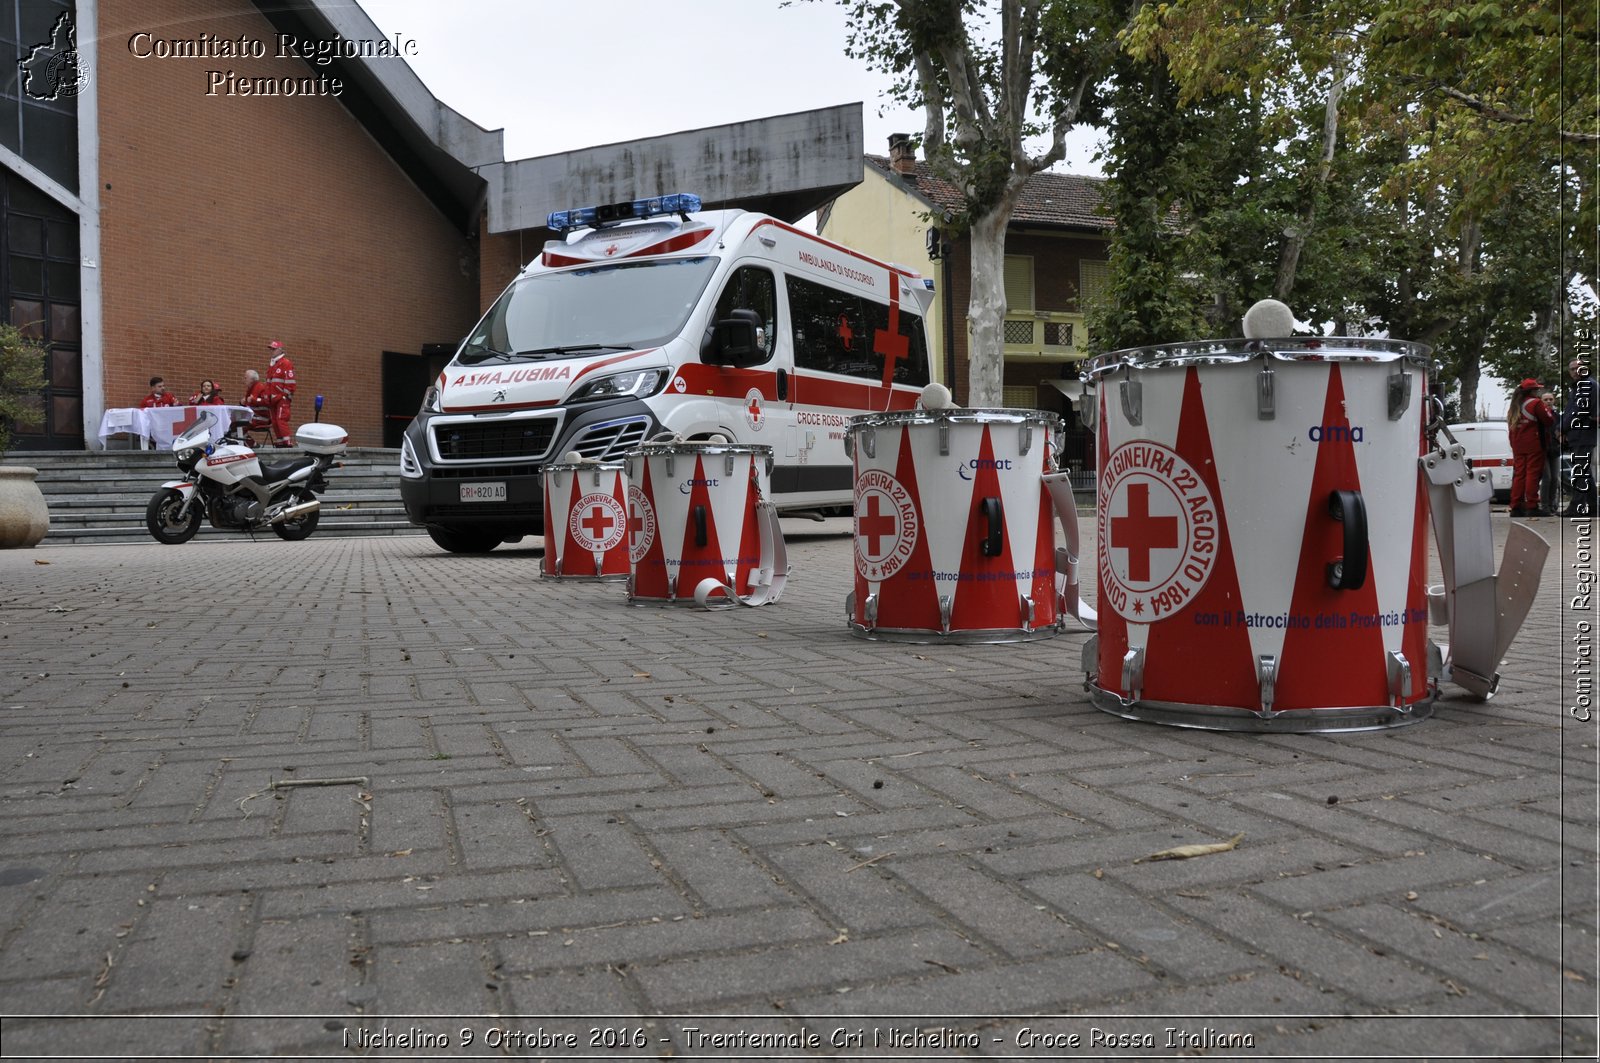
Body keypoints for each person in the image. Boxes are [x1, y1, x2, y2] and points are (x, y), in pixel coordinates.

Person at [1508, 377, 1554, 518]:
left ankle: (1516, 506)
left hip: (1517, 444)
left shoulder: (1514, 405)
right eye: (1537, 389)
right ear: (1532, 391)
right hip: (1534, 443)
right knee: (1532, 474)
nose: (1538, 391)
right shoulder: (1535, 403)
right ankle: (1532, 505)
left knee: (1519, 475)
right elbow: (1549, 420)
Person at [1561, 358, 1596, 517]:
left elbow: (1577, 411)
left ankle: (1577, 507)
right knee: (1585, 472)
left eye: (1578, 368)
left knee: (1580, 472)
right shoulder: (1579, 387)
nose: (1575, 371)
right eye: (1572, 369)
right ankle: (1593, 507)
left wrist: (1561, 428)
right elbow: (1570, 411)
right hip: (1580, 434)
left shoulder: (1586, 386)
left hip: (1583, 434)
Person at [265, 339, 297, 447]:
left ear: (280, 350)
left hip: (282, 398)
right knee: (274, 420)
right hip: (273, 398)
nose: (271, 351)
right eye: (271, 349)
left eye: (273, 349)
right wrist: (268, 396)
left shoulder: (286, 363)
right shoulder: (273, 364)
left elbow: (291, 382)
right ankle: (280, 440)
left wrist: (284, 395)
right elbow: (269, 382)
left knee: (280, 419)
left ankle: (287, 441)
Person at [1539, 390, 1561, 516]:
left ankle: (1553, 505)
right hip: (1543, 450)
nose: (1548, 402)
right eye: (1545, 399)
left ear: (1554, 401)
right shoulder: (1539, 416)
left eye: (1550, 399)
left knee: (1555, 478)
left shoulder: (1557, 416)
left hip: (1555, 450)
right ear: (1541, 402)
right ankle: (1545, 506)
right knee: (1547, 477)